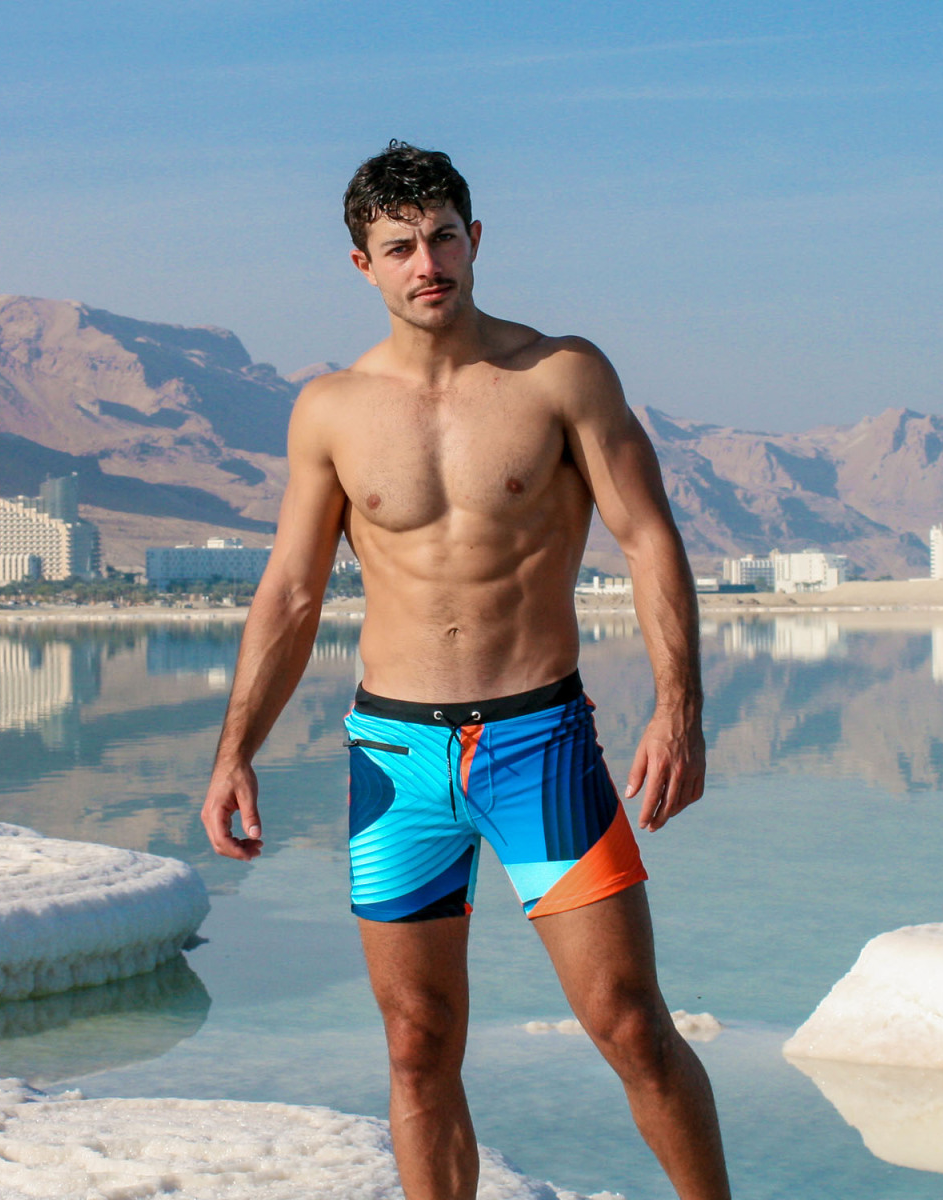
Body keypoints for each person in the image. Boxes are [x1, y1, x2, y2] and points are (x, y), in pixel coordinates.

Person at [201, 141, 731, 1200]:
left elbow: (649, 540)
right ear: (363, 264)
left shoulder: (561, 375)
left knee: (629, 1022)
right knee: (417, 1041)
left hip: (539, 747)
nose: (427, 263)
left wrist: (679, 708)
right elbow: (292, 594)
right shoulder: (332, 409)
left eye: (443, 237)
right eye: (400, 247)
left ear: (476, 239)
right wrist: (235, 752)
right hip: (395, 760)